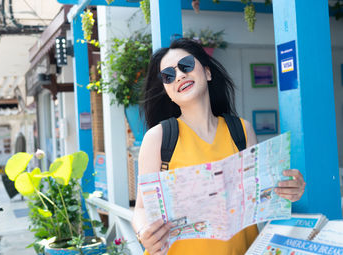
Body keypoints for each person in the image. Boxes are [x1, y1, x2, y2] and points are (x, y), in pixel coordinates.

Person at [131, 38, 306, 255]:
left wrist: (290, 191)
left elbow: (264, 196)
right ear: (167, 90)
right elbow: (141, 208)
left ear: (207, 72)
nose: (180, 75)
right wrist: (143, 233)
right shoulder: (158, 138)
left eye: (186, 65)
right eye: (168, 75)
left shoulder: (242, 130)